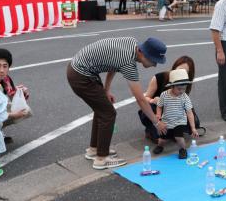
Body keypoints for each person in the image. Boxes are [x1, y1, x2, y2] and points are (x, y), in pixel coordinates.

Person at [67, 37, 168, 170]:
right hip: (81, 76)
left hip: (81, 70)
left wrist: (106, 90)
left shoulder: (131, 43)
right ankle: (101, 159)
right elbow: (140, 99)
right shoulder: (128, 62)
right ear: (141, 52)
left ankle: (94, 149)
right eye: (153, 61)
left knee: (102, 109)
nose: (154, 65)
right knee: (108, 114)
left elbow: (113, 65)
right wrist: (156, 122)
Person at [141, 56, 195, 143]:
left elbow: (184, 102)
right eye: (179, 70)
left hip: (173, 110)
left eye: (185, 72)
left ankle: (172, 130)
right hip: (156, 109)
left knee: (194, 122)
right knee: (158, 137)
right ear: (174, 68)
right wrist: (152, 100)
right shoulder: (159, 77)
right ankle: (150, 130)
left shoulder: (185, 83)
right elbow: (144, 98)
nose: (181, 75)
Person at [153, 69, 198, 159]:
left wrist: (193, 128)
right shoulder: (164, 95)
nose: (181, 91)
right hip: (166, 121)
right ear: (172, 86)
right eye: (179, 89)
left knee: (179, 137)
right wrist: (158, 115)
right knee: (162, 138)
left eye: (184, 89)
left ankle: (183, 149)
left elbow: (189, 112)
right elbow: (159, 106)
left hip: (179, 121)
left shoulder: (185, 97)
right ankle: (160, 146)